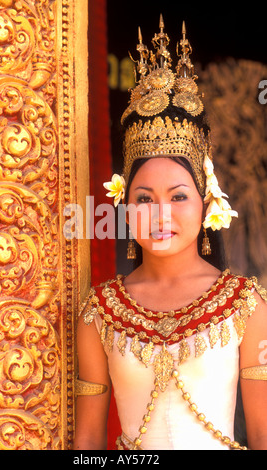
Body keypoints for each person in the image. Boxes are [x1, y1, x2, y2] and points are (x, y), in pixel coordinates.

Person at [73, 18, 267, 450]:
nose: (160, 215)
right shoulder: (98, 313)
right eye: (144, 199)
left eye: (178, 197)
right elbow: (85, 445)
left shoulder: (245, 305)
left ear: (207, 201)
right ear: (124, 206)